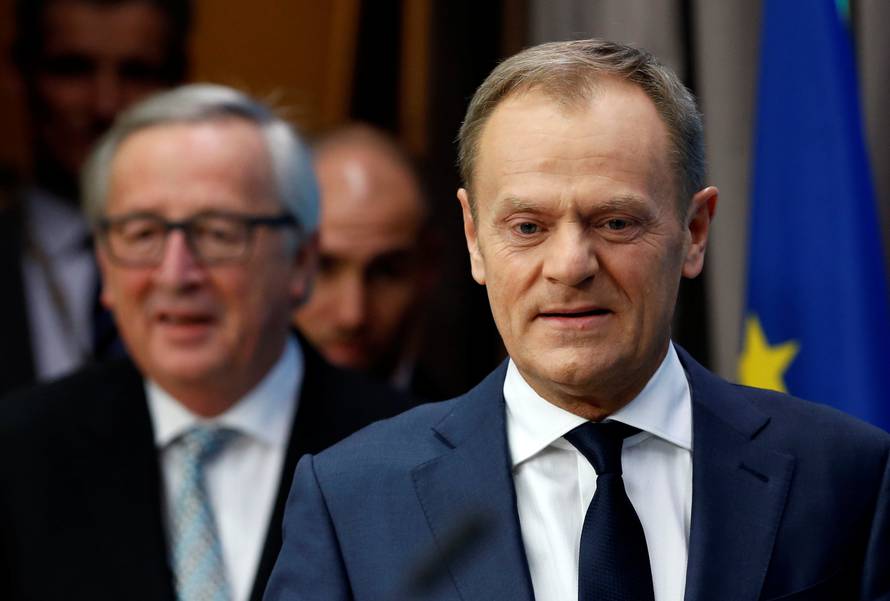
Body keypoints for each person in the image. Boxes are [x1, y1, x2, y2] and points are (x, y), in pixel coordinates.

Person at [264, 39, 890, 601]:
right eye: (528, 227)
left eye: (615, 222)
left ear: (694, 232)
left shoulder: (845, 473)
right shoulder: (352, 499)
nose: (569, 265)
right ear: (474, 239)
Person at [0, 84, 412, 601]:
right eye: (142, 233)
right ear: (103, 264)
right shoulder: (20, 455)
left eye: (218, 232)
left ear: (301, 262)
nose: (176, 274)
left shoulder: (414, 458)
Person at [0, 0, 192, 396]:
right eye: (73, 69)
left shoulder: (229, 259)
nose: (105, 104)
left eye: (137, 73)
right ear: (20, 77)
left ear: (177, 87)